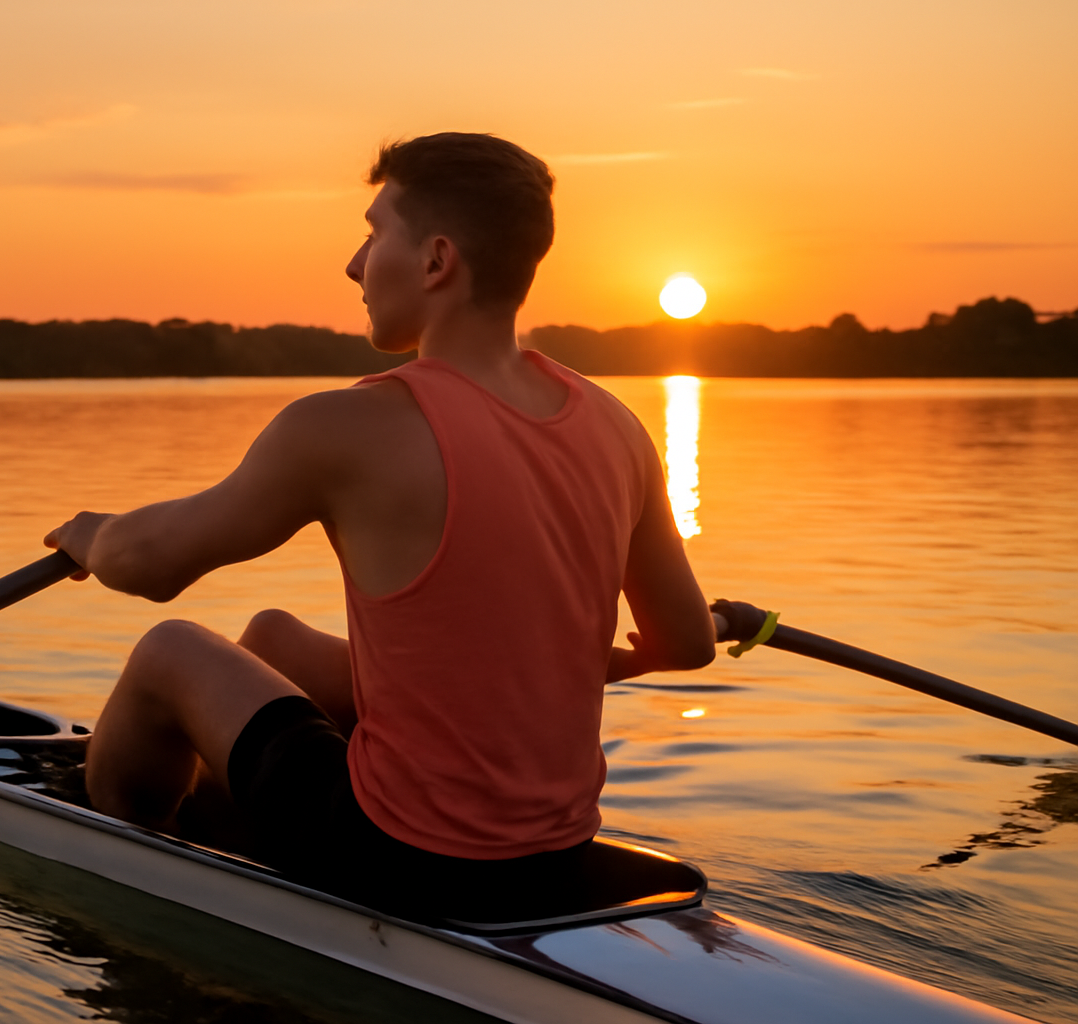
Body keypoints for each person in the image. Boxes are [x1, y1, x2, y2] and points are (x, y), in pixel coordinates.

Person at [45, 132, 714, 921]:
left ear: (435, 261)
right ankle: (233, 831)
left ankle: (136, 874)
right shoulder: (616, 425)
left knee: (170, 652)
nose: (355, 265)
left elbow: (153, 564)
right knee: (273, 639)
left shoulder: (349, 426)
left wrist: (94, 536)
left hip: (401, 859)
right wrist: (563, 658)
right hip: (557, 853)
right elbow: (687, 641)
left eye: (374, 233)